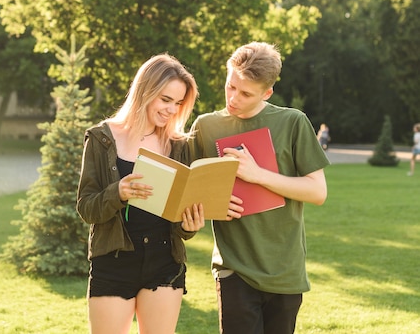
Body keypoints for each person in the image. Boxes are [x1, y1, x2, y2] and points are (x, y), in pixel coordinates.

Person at [188, 42, 329, 334]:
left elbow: (317, 192)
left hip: (284, 270)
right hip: (234, 268)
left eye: (245, 93)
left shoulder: (293, 122)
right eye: (230, 87)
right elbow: (187, 188)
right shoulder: (206, 127)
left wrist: (258, 174)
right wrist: (212, 203)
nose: (233, 98)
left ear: (267, 93)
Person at [76, 53, 218, 334]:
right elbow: (86, 208)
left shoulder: (179, 146)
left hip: (165, 262)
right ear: (145, 91)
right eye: (166, 100)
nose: (171, 110)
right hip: (113, 261)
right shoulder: (101, 139)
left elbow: (180, 220)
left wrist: (189, 225)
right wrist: (118, 191)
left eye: (178, 104)